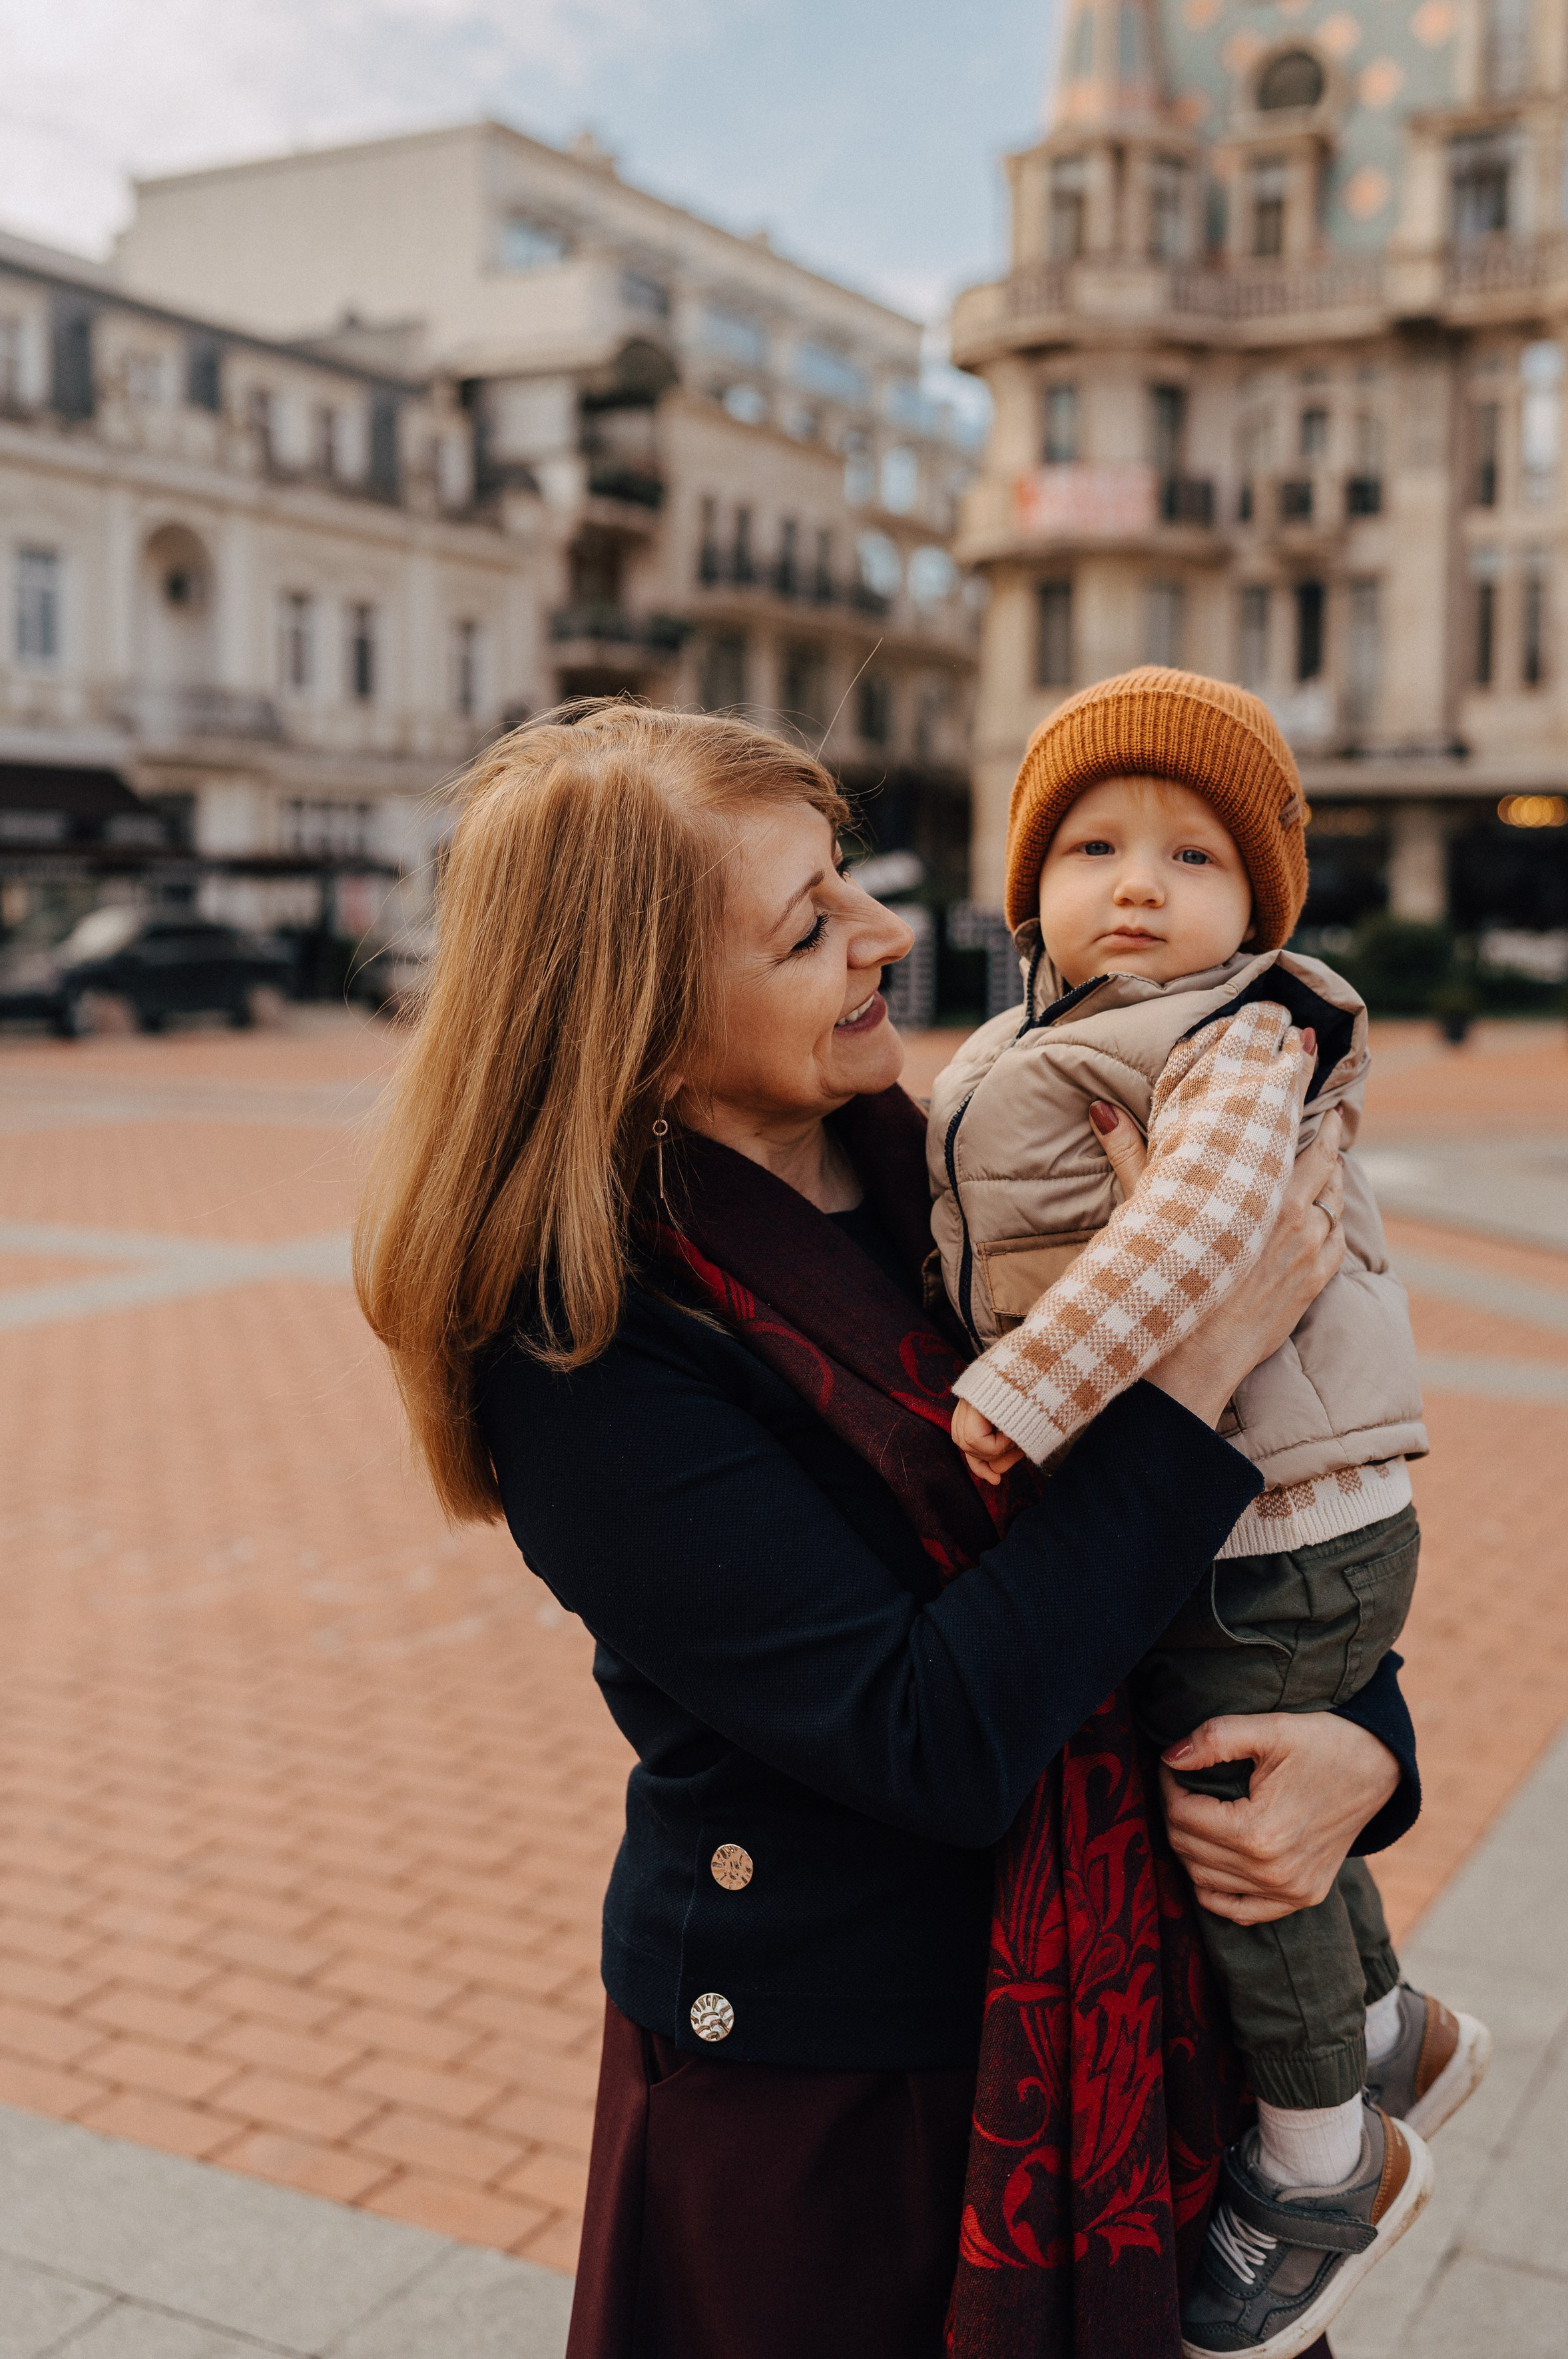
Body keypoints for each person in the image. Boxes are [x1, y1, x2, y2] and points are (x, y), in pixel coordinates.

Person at [355, 700, 1423, 2359]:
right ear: (640, 1016)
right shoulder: (579, 1348)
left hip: (1129, 2018)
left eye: (844, 876)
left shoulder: (945, 1170)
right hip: (840, 2099)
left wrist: (1362, 1747)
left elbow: (1270, 1525)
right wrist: (1188, 1366)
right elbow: (931, 1737)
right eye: (806, 928)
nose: (885, 932)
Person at [931, 668, 1491, 2359]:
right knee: (1256, 1790)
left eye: (1192, 857)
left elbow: (1205, 1227)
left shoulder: (1234, 1030)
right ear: (1025, 887)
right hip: (1242, 1518)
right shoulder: (1024, 1044)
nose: (1136, 887)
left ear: (1256, 906)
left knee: (1238, 1834)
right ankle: (1384, 2033)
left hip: (1282, 1531)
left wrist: (1026, 1396)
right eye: (1090, 847)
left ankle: (1320, 2166)